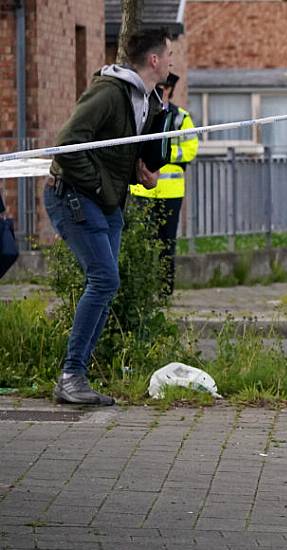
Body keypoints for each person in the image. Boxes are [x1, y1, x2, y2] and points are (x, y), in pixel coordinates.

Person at [45, 28, 173, 405]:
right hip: (73, 196)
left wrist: (139, 170)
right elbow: (67, 144)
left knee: (107, 283)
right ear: (153, 60)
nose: (171, 62)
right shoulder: (108, 92)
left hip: (108, 202)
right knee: (104, 279)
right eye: (169, 55)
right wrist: (102, 186)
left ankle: (75, 376)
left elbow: (116, 150)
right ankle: (71, 375)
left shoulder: (146, 100)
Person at [129, 72, 198, 295]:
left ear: (169, 90)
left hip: (170, 192)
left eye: (164, 88)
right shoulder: (142, 112)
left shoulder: (181, 118)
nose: (161, 91)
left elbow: (190, 149)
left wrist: (163, 154)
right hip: (142, 190)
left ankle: (164, 291)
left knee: (166, 242)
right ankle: (142, 290)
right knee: (141, 242)